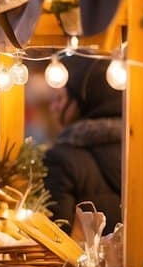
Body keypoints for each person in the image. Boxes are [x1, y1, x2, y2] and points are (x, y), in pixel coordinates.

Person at [43, 57, 125, 233]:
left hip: (81, 260)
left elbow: (56, 238)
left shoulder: (59, 160)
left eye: (60, 99)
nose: (52, 107)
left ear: (83, 103)